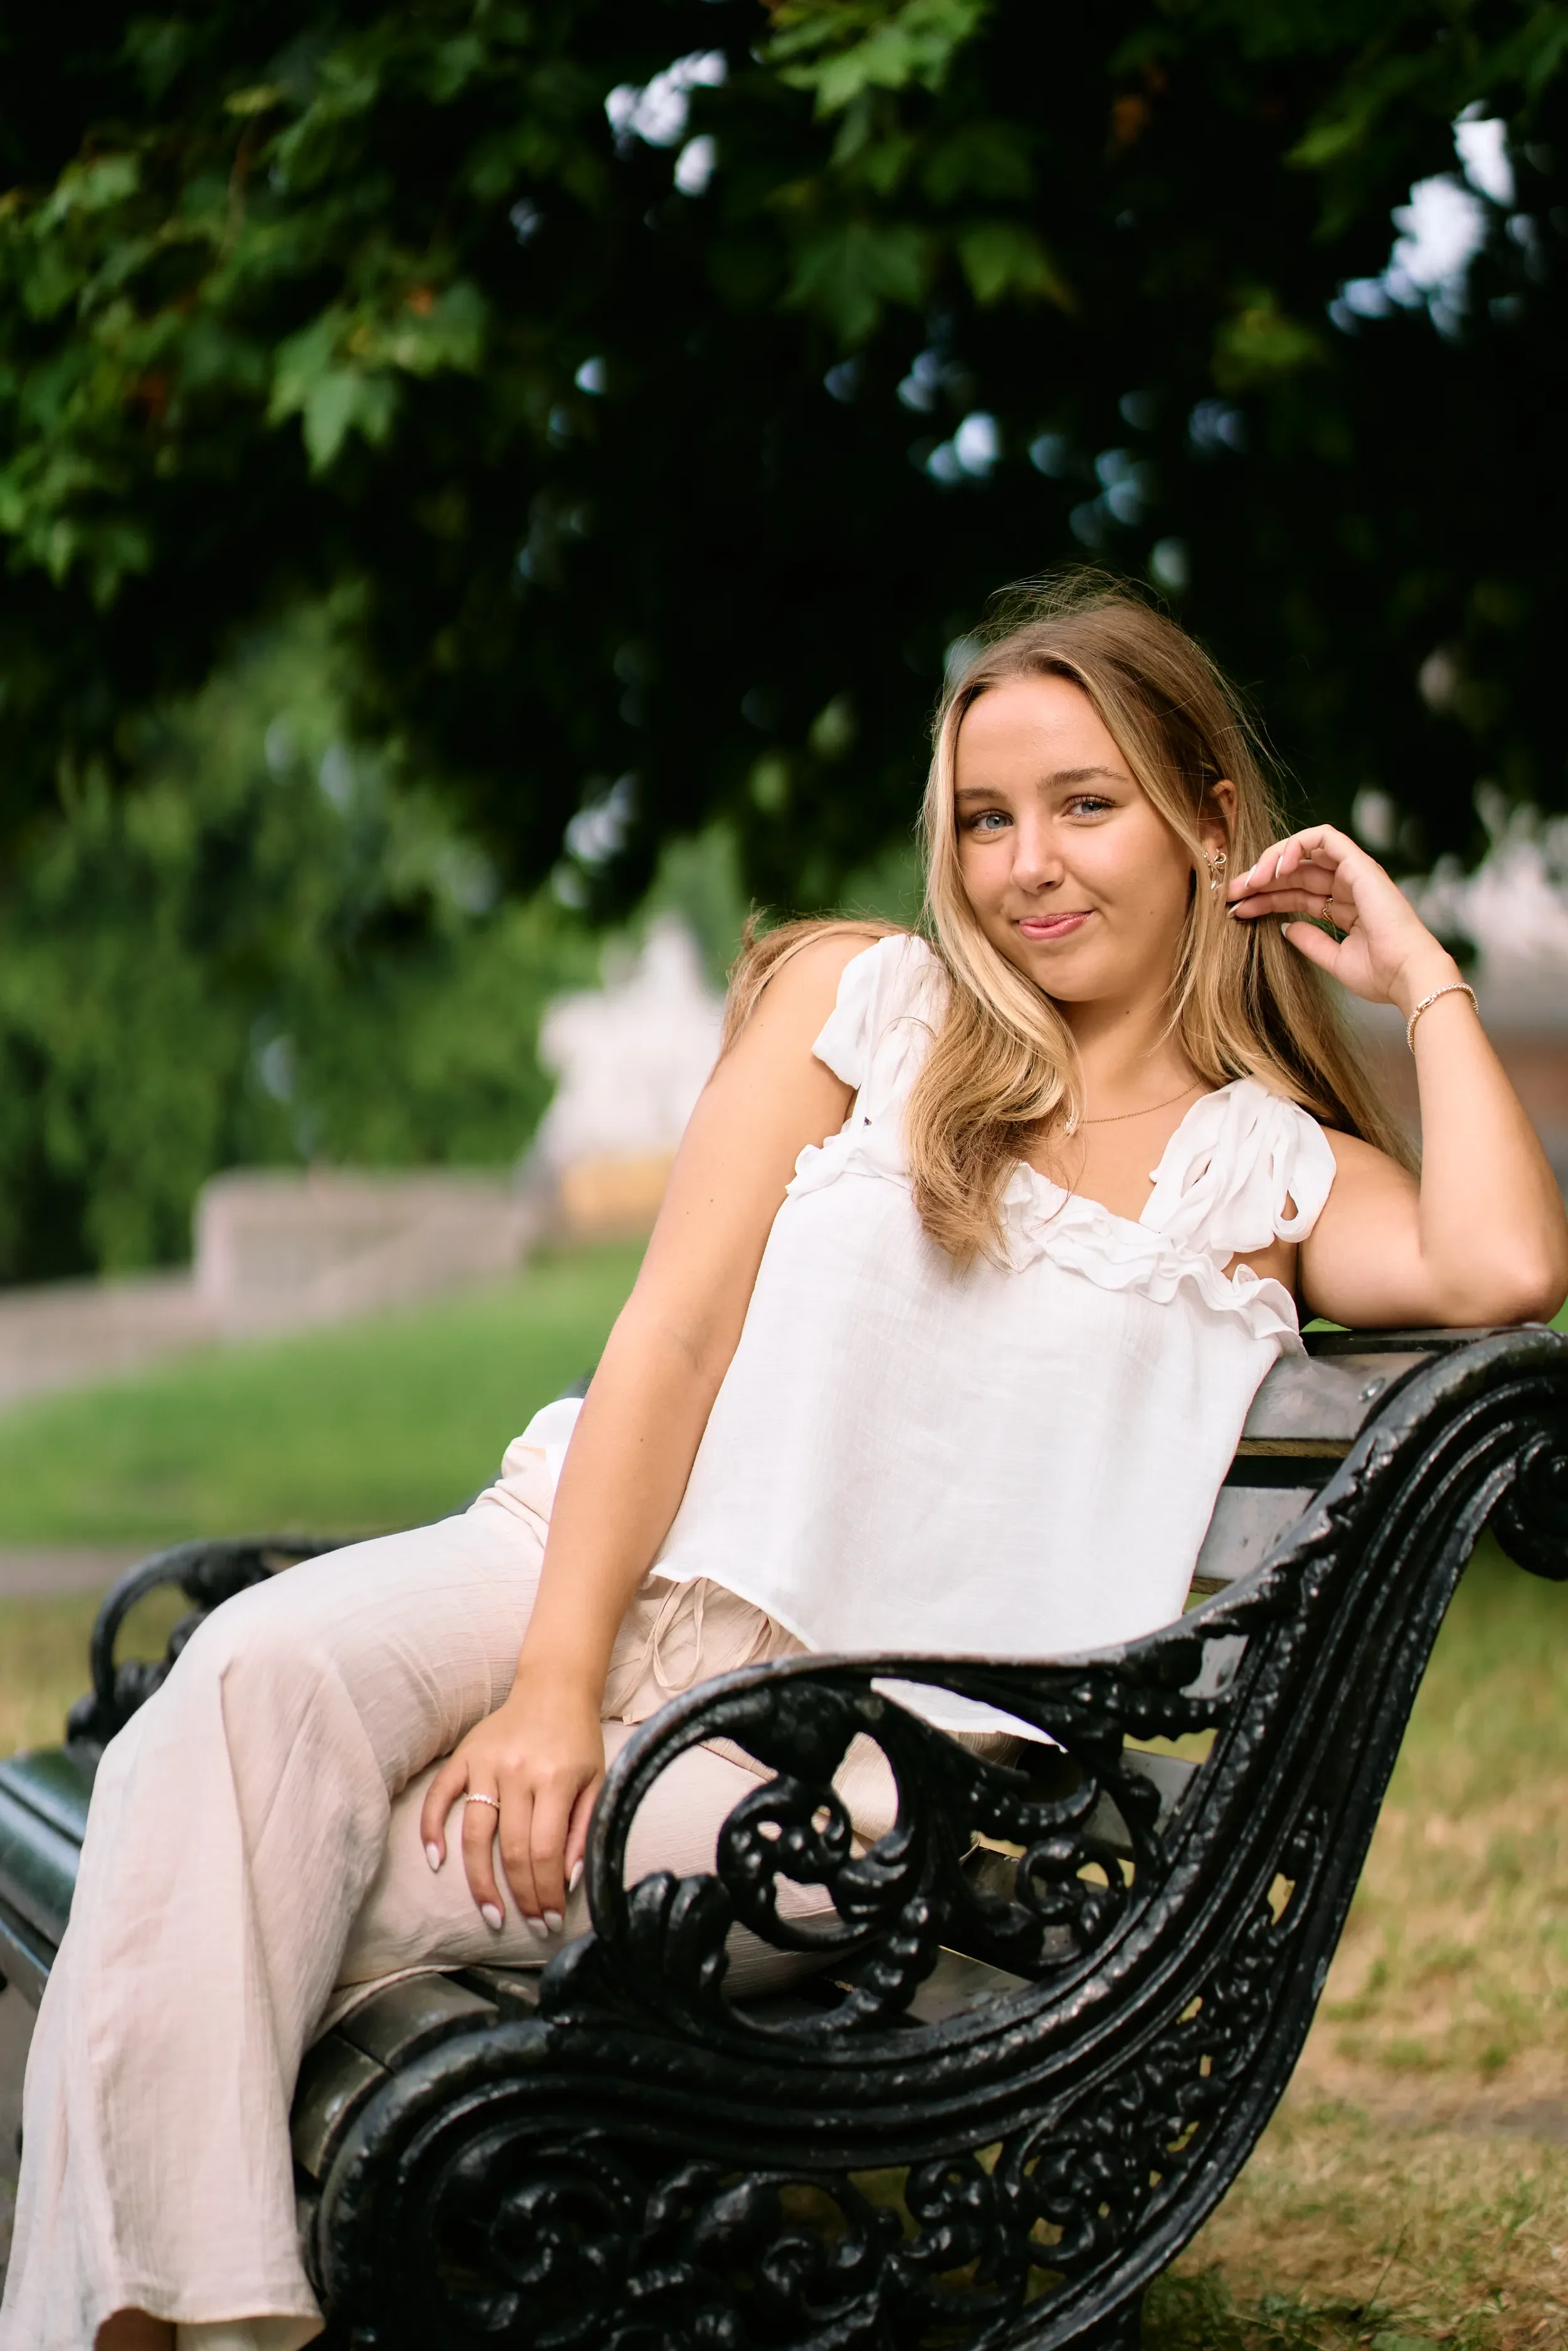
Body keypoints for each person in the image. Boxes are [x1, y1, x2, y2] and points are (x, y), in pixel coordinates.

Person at [6, 581, 1565, 2351]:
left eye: (1084, 804)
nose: (1024, 865)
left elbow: (1509, 1266)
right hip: (584, 1556)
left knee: (216, 1849)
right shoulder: (863, 1003)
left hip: (853, 1756)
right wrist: (552, 1681)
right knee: (241, 1689)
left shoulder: (1255, 1179)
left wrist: (1409, 961)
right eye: (983, 816)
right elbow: (664, 1344)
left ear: (1213, 825)